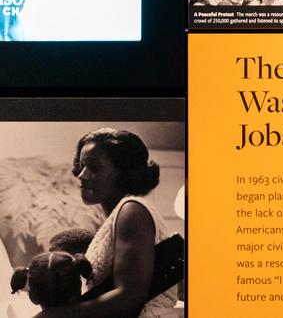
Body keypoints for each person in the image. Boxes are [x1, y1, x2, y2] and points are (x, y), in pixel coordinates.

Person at [36, 128, 178, 318]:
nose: (81, 175)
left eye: (94, 167)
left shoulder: (132, 211)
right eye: (82, 165)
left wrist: (55, 316)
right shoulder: (118, 217)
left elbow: (129, 297)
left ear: (123, 173)